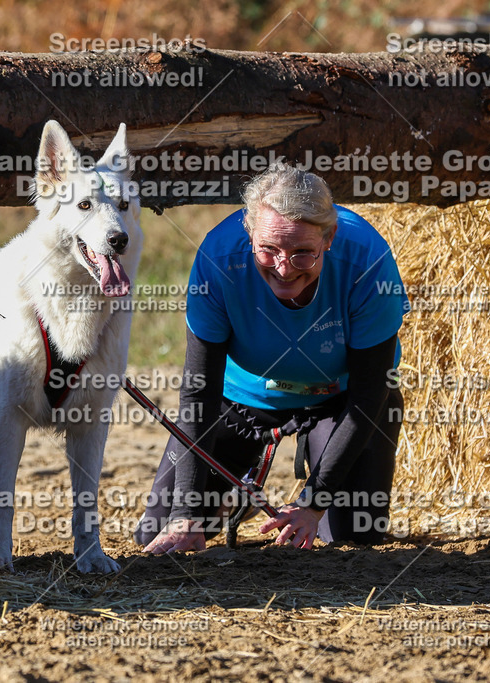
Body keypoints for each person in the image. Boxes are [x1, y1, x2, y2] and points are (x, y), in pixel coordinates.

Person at [133, 165, 409, 553]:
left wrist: (313, 503)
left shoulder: (368, 260)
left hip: (340, 401)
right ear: (249, 234)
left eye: (303, 253)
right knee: (159, 533)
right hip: (242, 398)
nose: (283, 268)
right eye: (269, 249)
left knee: (353, 539)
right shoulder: (218, 258)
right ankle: (227, 499)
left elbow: (368, 394)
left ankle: (303, 496)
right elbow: (199, 393)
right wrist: (186, 513)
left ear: (329, 239)